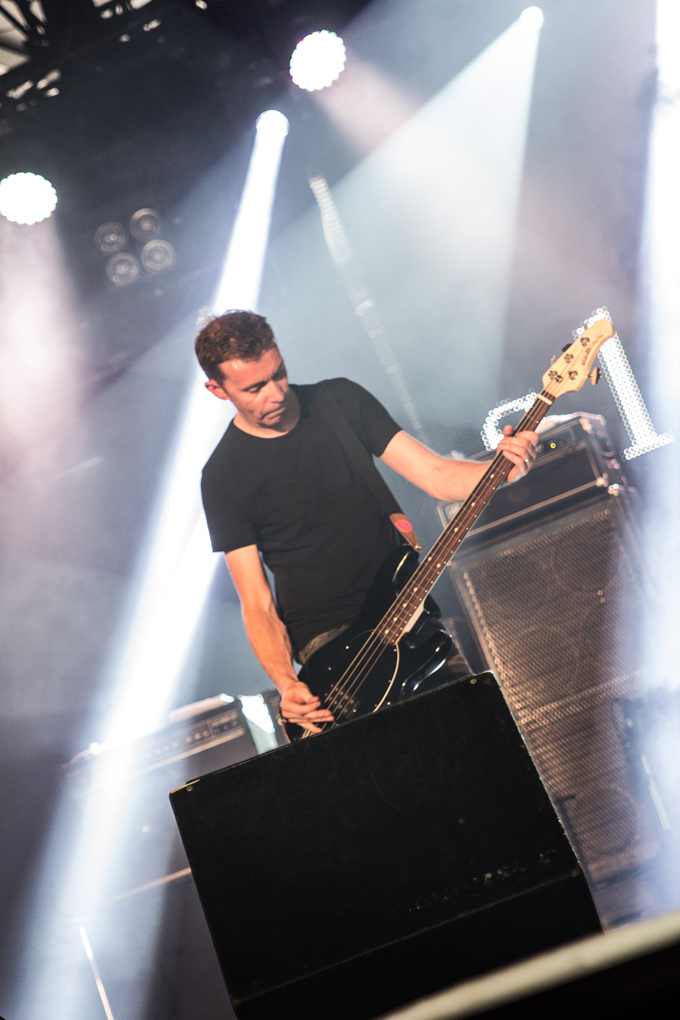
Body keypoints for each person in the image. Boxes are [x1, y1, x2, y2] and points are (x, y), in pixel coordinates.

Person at [196, 310, 538, 734]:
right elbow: (257, 603)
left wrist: (501, 470)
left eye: (278, 373)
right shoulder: (223, 476)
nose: (276, 393)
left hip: (408, 619)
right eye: (254, 388)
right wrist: (286, 683)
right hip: (333, 660)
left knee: (486, 742)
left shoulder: (339, 401)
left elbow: (436, 475)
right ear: (217, 389)